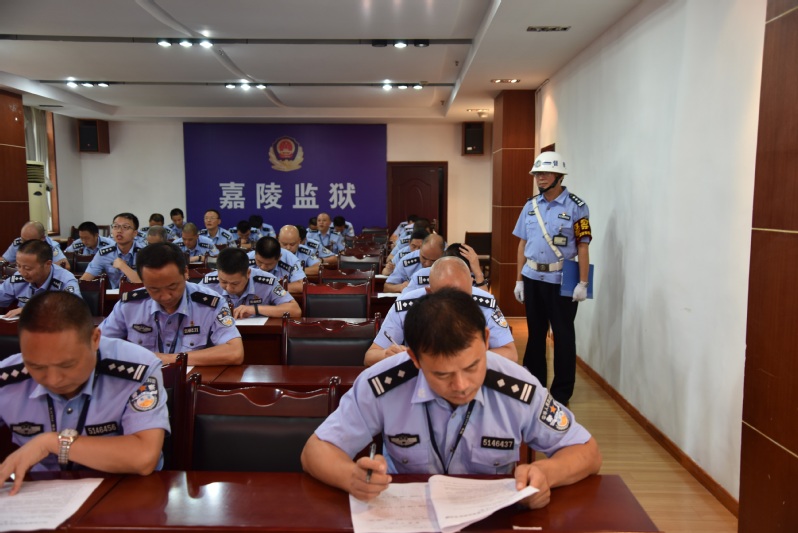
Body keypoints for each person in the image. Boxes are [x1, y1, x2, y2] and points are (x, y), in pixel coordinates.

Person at [301, 289, 601, 507]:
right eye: (442, 374)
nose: (461, 385)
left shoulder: (517, 386)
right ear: (414, 359)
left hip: (490, 520)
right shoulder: (383, 383)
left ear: (486, 340)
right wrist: (350, 476)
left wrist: (546, 473)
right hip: (406, 517)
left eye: (472, 367)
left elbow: (586, 451)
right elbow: (315, 451)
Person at [0, 292, 169, 493]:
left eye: (67, 365)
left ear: (95, 339)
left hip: (122, 491)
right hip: (36, 493)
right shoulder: (6, 378)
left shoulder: (137, 367)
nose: (53, 380)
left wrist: (52, 443)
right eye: (36, 367)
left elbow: (144, 457)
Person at [513, 151, 591, 406]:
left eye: (545, 173)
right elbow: (522, 244)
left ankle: (561, 394)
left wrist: (583, 283)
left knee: (563, 337)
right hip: (533, 278)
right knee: (535, 335)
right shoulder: (530, 206)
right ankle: (535, 388)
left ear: (559, 176)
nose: (540, 178)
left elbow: (582, 246)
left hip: (561, 280)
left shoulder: (577, 207)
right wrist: (519, 280)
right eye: (537, 174)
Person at [99, 243, 244, 366]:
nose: (165, 296)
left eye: (172, 286)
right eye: (154, 289)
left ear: (185, 272)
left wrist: (168, 359)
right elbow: (97, 345)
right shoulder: (130, 305)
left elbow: (235, 352)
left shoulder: (211, 303)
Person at [365, 256, 516, 365]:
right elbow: (370, 356)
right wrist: (386, 355)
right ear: (429, 292)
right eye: (447, 299)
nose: (456, 305)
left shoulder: (485, 304)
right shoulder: (405, 306)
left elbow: (510, 354)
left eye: (463, 297)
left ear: (471, 285)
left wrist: (465, 357)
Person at [201, 247, 301, 319]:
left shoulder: (267, 281)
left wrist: (255, 309)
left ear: (248, 273)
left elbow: (295, 310)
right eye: (223, 282)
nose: (229, 288)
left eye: (235, 283)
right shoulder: (208, 282)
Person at [0, 240, 81, 318]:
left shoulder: (65, 280)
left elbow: (75, 309)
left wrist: (30, 310)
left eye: (28, 268)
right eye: (18, 266)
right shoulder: (18, 277)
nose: (22, 272)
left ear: (47, 264)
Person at [81, 213, 142, 289]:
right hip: (114, 295)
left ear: (135, 233)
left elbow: (145, 283)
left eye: (125, 227)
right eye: (115, 226)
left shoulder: (145, 253)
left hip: (140, 295)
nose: (119, 231)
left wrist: (123, 266)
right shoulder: (103, 253)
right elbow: (85, 280)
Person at [405, 242, 488, 292]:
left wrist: (478, 273)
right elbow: (404, 303)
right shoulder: (421, 275)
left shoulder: (473, 278)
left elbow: (486, 306)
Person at [3, 221, 70, 270]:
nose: (24, 244)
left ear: (42, 238)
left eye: (29, 241)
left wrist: (38, 268)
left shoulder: (51, 246)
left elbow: (66, 266)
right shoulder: (18, 242)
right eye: (22, 239)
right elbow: (4, 261)